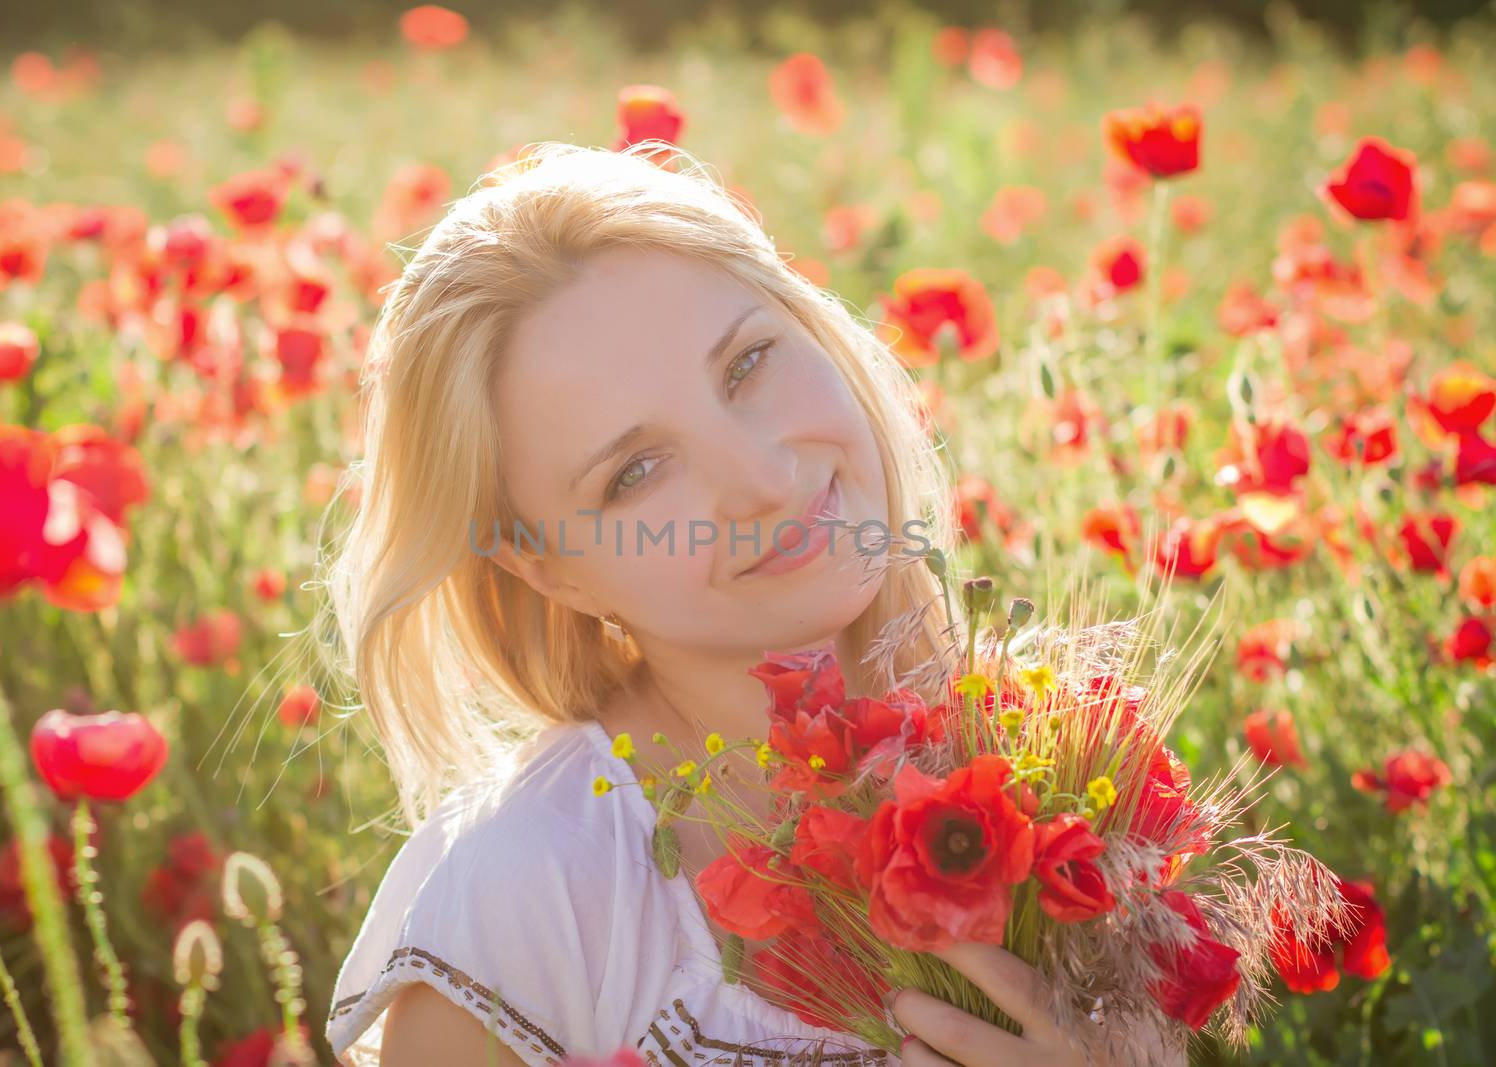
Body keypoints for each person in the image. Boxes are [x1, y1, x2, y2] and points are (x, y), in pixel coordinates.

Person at [316, 141, 1175, 1067]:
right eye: (636, 471)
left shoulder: (1066, 758)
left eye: (748, 362)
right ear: (545, 569)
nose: (763, 478)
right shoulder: (528, 891)